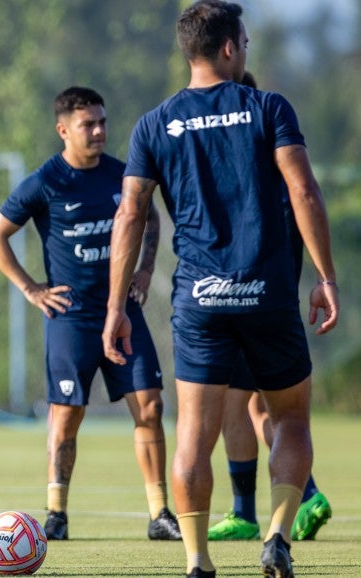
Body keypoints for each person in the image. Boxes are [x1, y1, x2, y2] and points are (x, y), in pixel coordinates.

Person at [102, 2, 339, 577]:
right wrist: (326, 277)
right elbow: (304, 192)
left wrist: (115, 307)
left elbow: (130, 214)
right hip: (269, 294)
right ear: (229, 47)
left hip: (200, 300)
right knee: (289, 420)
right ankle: (277, 534)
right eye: (246, 42)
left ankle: (197, 561)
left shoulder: (155, 124)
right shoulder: (267, 107)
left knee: (193, 437)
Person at [0, 86, 181, 543]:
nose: (98, 131)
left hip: (124, 313)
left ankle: (159, 514)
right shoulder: (45, 181)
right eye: (88, 124)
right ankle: (56, 512)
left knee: (150, 406)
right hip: (71, 318)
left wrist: (146, 269)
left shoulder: (122, 174)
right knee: (67, 415)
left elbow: (149, 218)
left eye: (102, 122)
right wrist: (31, 288)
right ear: (63, 130)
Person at [209, 72, 332, 544]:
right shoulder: (281, 170)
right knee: (262, 406)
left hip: (242, 299)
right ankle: (298, 498)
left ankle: (272, 504)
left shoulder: (248, 182)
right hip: (277, 299)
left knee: (233, 404)